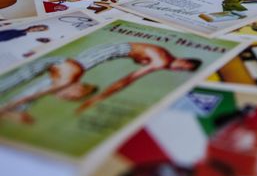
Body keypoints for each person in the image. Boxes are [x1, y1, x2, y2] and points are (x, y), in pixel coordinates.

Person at [0, 42, 202, 122]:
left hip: (110, 51)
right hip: (110, 51)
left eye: (184, 71)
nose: (179, 70)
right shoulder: (162, 60)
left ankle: (17, 105)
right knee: (65, 77)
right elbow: (127, 80)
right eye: (184, 67)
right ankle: (15, 105)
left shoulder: (165, 57)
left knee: (62, 77)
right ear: (184, 61)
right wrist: (102, 97)